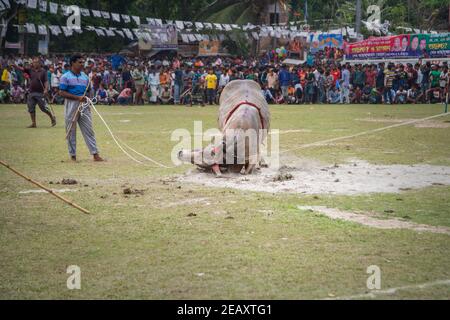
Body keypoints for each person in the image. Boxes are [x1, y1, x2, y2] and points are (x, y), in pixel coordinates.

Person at [59, 54, 104, 162]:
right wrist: (77, 97)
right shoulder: (65, 77)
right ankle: (73, 155)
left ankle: (95, 154)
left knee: (89, 130)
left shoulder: (85, 76)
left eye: (83, 62)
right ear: (72, 63)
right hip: (71, 104)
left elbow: (89, 90)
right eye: (79, 62)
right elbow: (61, 92)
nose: (82, 64)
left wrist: (88, 98)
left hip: (84, 104)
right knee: (71, 130)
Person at [22, 57, 56, 128]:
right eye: (34, 62)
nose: (35, 63)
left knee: (43, 108)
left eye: (37, 62)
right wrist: (15, 66)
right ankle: (33, 123)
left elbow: (46, 81)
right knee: (31, 108)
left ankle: (52, 117)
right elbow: (23, 69)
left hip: (40, 93)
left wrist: (46, 89)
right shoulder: (30, 70)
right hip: (31, 92)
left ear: (40, 63)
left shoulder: (43, 71)